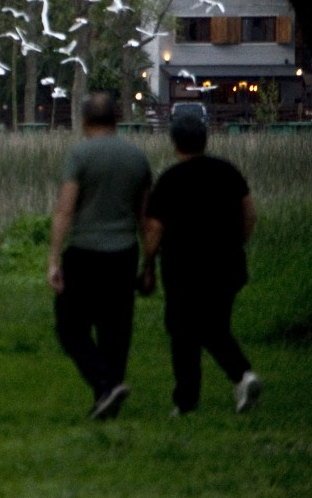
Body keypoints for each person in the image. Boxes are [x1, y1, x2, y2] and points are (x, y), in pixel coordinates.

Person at [140, 113, 261, 415]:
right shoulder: (228, 172)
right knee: (215, 325)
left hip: (183, 269)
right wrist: (237, 244)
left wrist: (148, 261)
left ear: (175, 143)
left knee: (184, 332)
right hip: (228, 265)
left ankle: (191, 397)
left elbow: (155, 229)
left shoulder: (170, 180)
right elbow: (249, 214)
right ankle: (240, 379)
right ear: (205, 140)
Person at [48, 92, 152, 420]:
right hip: (124, 253)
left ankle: (105, 385)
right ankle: (108, 395)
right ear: (116, 120)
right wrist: (150, 265)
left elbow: (65, 210)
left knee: (70, 327)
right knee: (116, 327)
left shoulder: (79, 155)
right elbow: (145, 218)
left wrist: (53, 259)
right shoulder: (137, 158)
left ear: (84, 121)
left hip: (84, 252)